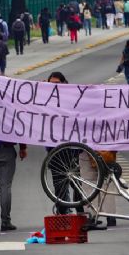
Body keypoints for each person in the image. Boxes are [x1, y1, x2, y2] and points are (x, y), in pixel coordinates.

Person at [45, 72, 84, 216]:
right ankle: (63, 213)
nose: (53, 86)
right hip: (54, 150)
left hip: (72, 148)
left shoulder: (72, 97)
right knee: (59, 184)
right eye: (51, 84)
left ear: (64, 82)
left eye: (57, 83)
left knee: (77, 182)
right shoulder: (44, 99)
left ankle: (81, 212)